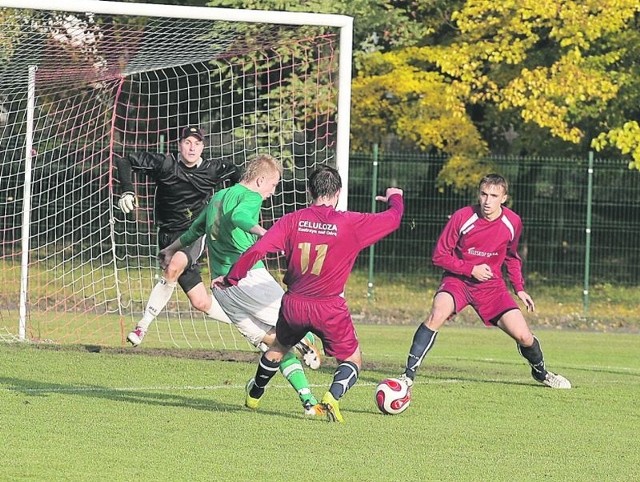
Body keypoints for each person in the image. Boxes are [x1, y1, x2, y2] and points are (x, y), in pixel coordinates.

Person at [213, 165, 404, 423]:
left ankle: (254, 395)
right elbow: (393, 219)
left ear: (308, 191)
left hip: (294, 305)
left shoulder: (292, 220)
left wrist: (231, 277)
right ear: (337, 193)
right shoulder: (351, 223)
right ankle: (332, 398)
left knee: (279, 346)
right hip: (329, 308)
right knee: (352, 358)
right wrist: (395, 197)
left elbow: (258, 250)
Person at [158, 153, 322, 414]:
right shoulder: (251, 196)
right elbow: (240, 218)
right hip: (248, 278)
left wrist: (170, 249)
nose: (272, 191)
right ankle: (305, 344)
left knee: (275, 344)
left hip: (222, 290)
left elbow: (194, 231)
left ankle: (308, 401)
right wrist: (266, 234)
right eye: (273, 185)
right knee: (302, 320)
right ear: (260, 180)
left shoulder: (217, 197)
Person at [398, 173, 571, 394]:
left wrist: (519, 288)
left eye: (493, 195)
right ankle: (407, 376)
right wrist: (471, 269)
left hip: (491, 288)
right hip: (458, 281)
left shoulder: (512, 222)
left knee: (524, 336)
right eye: (483, 194)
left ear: (504, 198)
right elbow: (439, 255)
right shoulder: (463, 217)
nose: (487, 201)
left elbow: (512, 256)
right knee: (437, 314)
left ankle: (542, 373)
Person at [114, 125, 239, 346]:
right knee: (200, 301)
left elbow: (236, 173)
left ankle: (142, 326)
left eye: (197, 143)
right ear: (180, 144)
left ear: (203, 147)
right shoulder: (165, 164)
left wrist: (232, 208)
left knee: (173, 267)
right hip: (167, 236)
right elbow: (124, 161)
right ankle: (256, 331)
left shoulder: (212, 169)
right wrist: (127, 190)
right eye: (188, 142)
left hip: (194, 234)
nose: (192, 148)